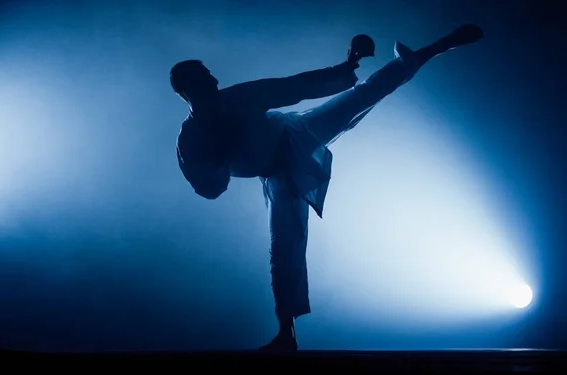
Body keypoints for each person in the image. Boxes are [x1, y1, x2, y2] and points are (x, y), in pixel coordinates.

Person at [171, 24, 484, 351]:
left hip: (297, 133)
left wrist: (346, 67)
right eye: (206, 77)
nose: (215, 80)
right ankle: (286, 334)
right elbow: (210, 189)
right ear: (187, 88)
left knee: (361, 96)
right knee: (284, 250)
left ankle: (437, 45)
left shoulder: (234, 97)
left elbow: (291, 88)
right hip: (278, 176)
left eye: (210, 74)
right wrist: (219, 150)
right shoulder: (190, 140)